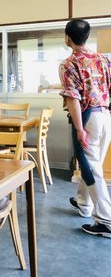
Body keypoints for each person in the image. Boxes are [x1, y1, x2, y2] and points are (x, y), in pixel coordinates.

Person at [59, 19, 111, 238]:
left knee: (92, 169)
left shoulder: (69, 64)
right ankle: (84, 204)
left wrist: (80, 129)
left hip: (88, 117)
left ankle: (106, 220)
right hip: (105, 115)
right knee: (95, 164)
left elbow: (73, 100)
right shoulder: (103, 59)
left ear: (67, 38)